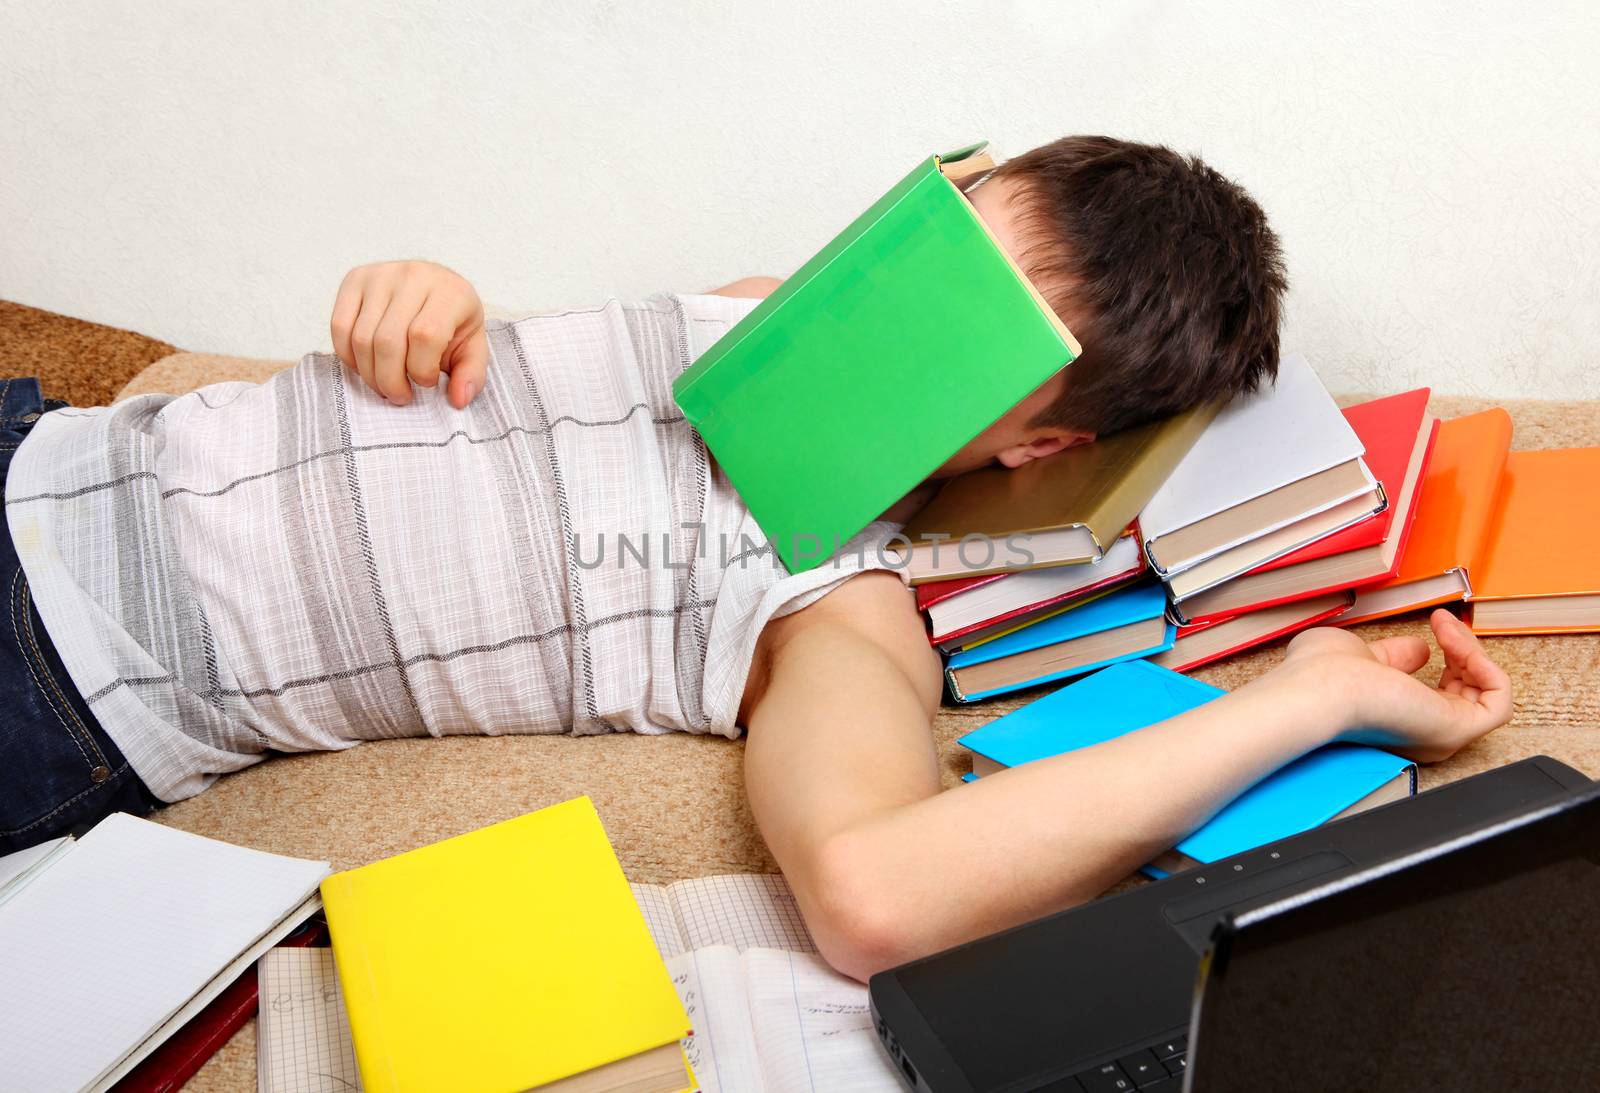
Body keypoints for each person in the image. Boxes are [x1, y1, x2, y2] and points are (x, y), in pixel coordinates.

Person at [0, 137, 1511, 981]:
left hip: (54, 670)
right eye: (933, 250)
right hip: (43, 443)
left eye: (960, 339)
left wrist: (1310, 697)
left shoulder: (834, 613)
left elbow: (874, 894)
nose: (872, 317)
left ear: (1038, 445)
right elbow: (485, 395)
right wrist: (432, 295)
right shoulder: (750, 308)